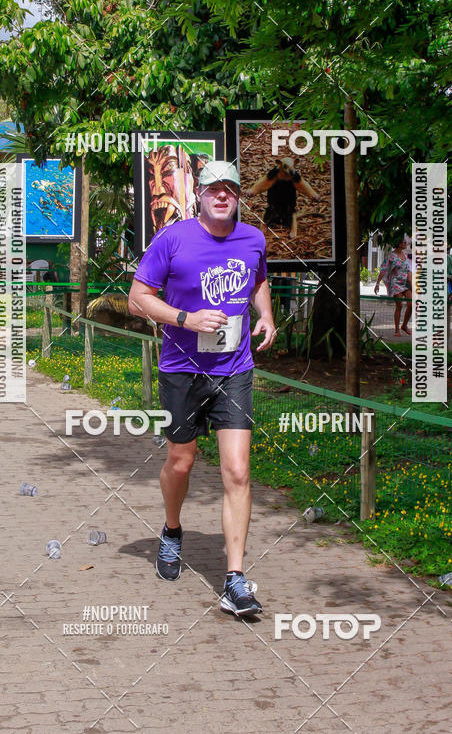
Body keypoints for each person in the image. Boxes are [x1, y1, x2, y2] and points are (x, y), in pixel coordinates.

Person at [128, 160, 276, 618]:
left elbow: (259, 279)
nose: (222, 195)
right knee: (181, 461)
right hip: (181, 370)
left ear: (237, 196)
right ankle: (172, 530)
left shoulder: (253, 239)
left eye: (230, 188)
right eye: (214, 188)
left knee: (237, 471)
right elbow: (137, 299)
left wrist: (265, 314)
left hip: (234, 370)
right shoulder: (172, 239)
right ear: (200, 196)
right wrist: (186, 319)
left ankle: (235, 580)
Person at [244, 157, 321, 239]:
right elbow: (263, 183)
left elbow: (303, 186)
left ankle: (293, 230)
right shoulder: (274, 174)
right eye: (286, 167)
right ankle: (264, 225)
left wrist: (313, 195)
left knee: (291, 213)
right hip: (274, 201)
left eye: (292, 167)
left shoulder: (294, 176)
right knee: (269, 211)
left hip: (289, 202)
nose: (290, 171)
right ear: (279, 164)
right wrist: (253, 191)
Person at [374, 238, 412, 336]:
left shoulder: (405, 255)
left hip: (405, 283)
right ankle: (397, 330)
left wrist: (412, 285)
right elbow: (383, 269)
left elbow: (408, 271)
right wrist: (377, 283)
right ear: (399, 244)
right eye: (404, 242)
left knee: (411, 304)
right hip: (395, 283)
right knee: (399, 306)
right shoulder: (391, 256)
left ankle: (404, 325)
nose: (406, 243)